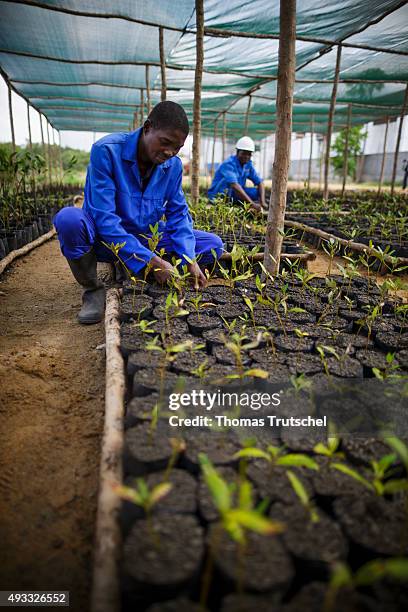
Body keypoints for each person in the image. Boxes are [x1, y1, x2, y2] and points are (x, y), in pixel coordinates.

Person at [53, 101, 224, 325]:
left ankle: (141, 269)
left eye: (177, 148)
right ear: (147, 128)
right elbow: (104, 219)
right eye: (165, 142)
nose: (170, 152)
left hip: (145, 239)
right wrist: (151, 260)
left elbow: (179, 215)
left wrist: (189, 259)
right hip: (105, 242)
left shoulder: (172, 166)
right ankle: (93, 289)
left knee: (213, 245)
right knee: (69, 220)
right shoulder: (106, 151)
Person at [208, 136, 266, 212]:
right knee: (236, 190)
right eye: (244, 153)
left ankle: (246, 202)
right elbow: (234, 185)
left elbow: (260, 182)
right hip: (221, 194)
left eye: (249, 154)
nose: (246, 157)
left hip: (235, 193)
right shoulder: (228, 164)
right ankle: (239, 203)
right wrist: (251, 204)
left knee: (256, 192)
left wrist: (263, 201)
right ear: (237, 152)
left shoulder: (248, 164)